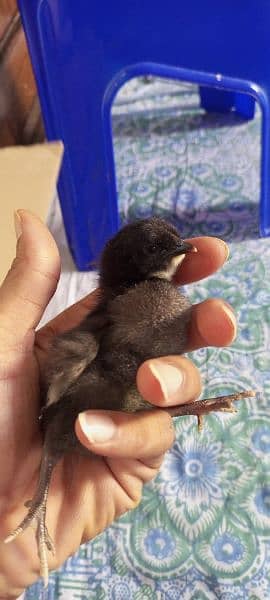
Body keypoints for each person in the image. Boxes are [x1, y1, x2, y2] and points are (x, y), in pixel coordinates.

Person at [0, 210, 236, 598]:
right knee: (72, 419)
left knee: (151, 395)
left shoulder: (158, 303)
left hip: (115, 416)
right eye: (162, 248)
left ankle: (39, 503)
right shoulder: (113, 319)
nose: (183, 248)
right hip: (68, 422)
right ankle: (38, 501)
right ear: (137, 263)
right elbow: (62, 378)